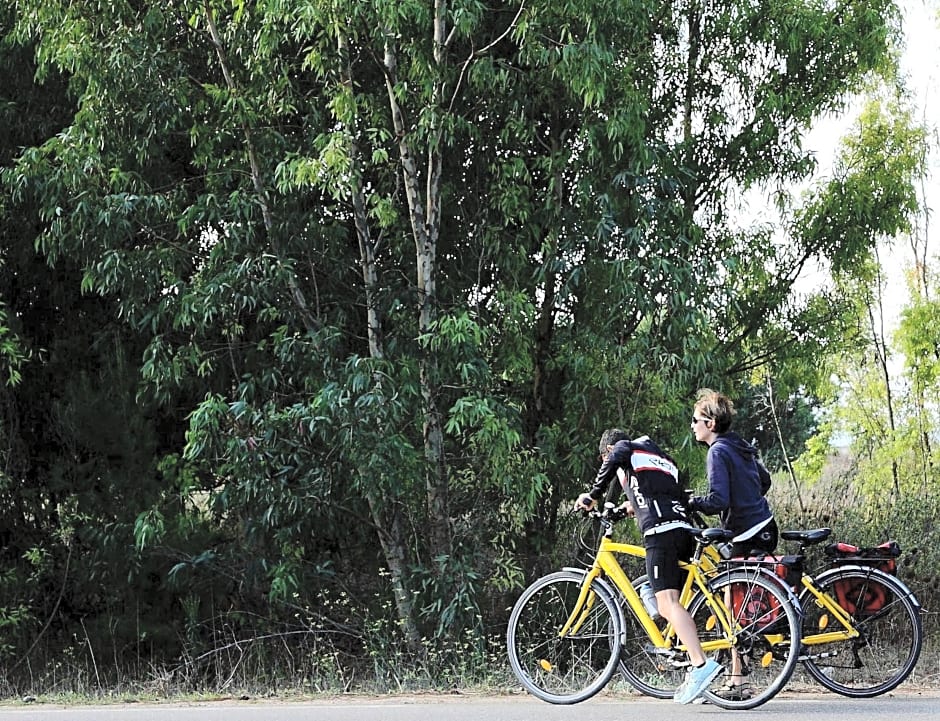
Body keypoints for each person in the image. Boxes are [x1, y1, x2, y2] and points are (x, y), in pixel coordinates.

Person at [575, 428, 723, 705]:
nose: (607, 462)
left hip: (660, 533)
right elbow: (645, 497)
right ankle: (693, 665)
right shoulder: (658, 458)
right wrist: (618, 510)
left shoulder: (624, 450)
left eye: (604, 458)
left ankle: (701, 666)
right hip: (682, 529)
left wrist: (593, 494)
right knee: (662, 596)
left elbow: (618, 455)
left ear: (607, 451)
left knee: (667, 603)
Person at [687, 388, 778, 699]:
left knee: (731, 606)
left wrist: (691, 502)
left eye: (696, 420)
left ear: (710, 423)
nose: (693, 425)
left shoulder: (718, 452)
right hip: (764, 526)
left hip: (746, 533)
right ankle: (739, 674)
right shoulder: (739, 445)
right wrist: (748, 501)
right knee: (737, 600)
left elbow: (717, 500)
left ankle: (738, 680)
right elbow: (764, 481)